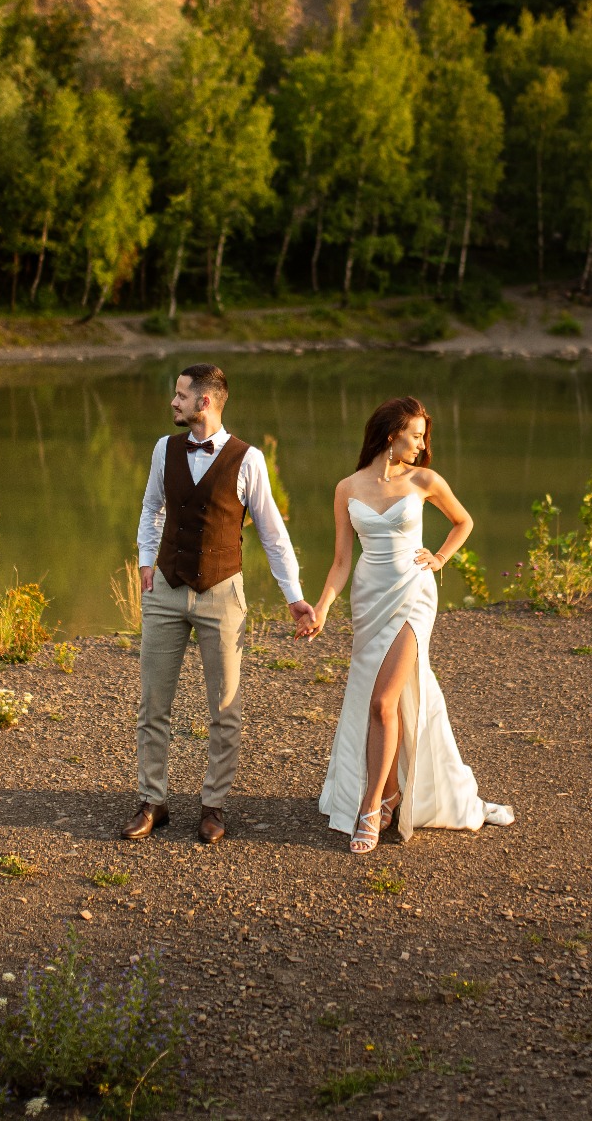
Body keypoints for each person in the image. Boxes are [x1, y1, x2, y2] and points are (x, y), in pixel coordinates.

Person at [301, 396, 513, 853]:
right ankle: (394, 792)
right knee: (381, 702)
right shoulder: (348, 488)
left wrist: (438, 558)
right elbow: (341, 562)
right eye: (416, 435)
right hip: (368, 597)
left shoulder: (424, 480)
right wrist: (321, 608)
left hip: (415, 596)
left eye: (423, 436)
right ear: (390, 433)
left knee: (382, 701)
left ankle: (372, 806)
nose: (422, 444)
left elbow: (463, 521)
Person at [122, 363, 315, 845]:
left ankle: (213, 807)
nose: (173, 402)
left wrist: (294, 596)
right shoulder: (162, 448)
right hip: (164, 589)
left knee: (225, 708)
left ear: (204, 402)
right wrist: (147, 559)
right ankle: (153, 801)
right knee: (153, 703)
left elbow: (272, 532)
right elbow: (152, 507)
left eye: (181, 395)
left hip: (222, 594)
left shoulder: (248, 460)